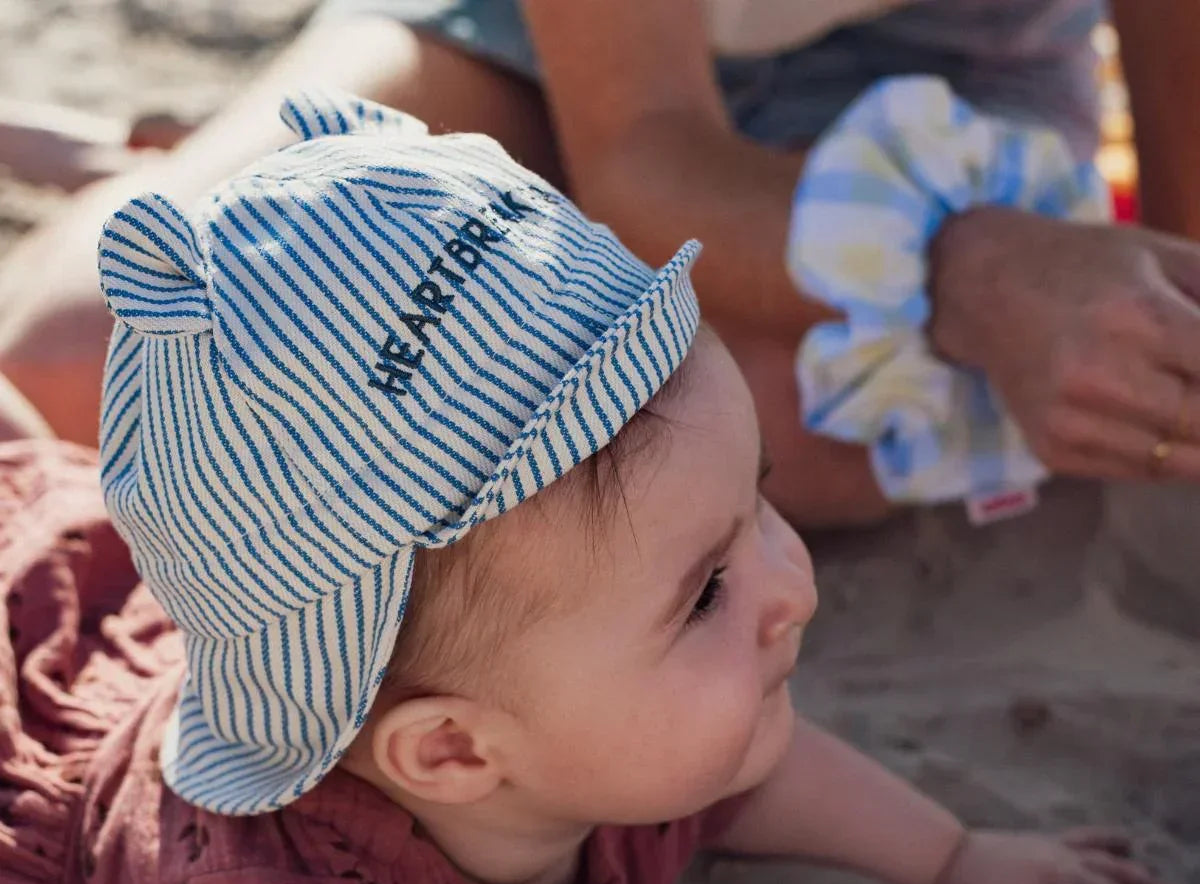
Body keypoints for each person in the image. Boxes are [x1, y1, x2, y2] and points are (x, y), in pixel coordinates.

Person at [0, 92, 1182, 884]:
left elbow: (757, 776)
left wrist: (953, 857)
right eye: (708, 590)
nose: (793, 589)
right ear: (454, 751)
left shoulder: (599, 719)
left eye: (758, 500)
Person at [4, 1, 1200, 526]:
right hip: (545, 47)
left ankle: (363, 200)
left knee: (709, 433)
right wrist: (974, 270)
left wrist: (1138, 308)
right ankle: (275, 175)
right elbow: (643, 150)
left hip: (947, 67)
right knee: (90, 361)